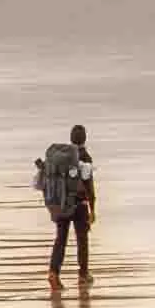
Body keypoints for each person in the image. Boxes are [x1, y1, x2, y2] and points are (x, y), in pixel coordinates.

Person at [35, 123, 97, 288]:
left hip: (60, 203)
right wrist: (93, 209)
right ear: (85, 139)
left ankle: (53, 272)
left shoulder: (62, 158)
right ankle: (83, 275)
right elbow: (89, 186)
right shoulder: (85, 157)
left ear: (71, 139)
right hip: (79, 205)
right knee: (82, 239)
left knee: (60, 239)